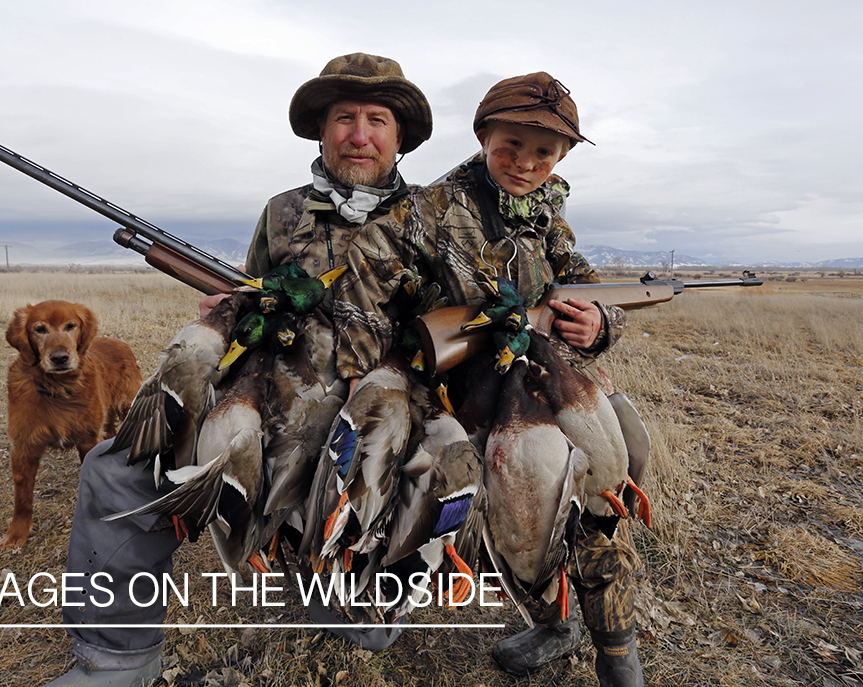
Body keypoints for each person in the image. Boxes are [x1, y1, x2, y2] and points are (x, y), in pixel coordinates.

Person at [44, 52, 432, 687]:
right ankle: (117, 660)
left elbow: (455, 328)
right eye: (343, 118)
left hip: (367, 412)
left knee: (359, 607)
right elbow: (254, 294)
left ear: (398, 135)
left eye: (376, 119)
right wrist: (231, 311)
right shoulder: (282, 211)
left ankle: (345, 589)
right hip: (267, 394)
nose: (358, 134)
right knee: (115, 470)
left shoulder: (430, 219)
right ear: (322, 129)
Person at [333, 72, 644, 686]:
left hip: (547, 378)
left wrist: (600, 324)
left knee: (602, 500)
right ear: (482, 137)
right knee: (514, 509)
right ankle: (542, 619)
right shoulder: (428, 211)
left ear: (562, 159)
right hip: (463, 392)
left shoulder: (547, 217)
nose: (526, 164)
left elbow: (585, 288)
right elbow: (363, 292)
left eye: (544, 153)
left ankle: (614, 656)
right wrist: (364, 373)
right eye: (511, 146)